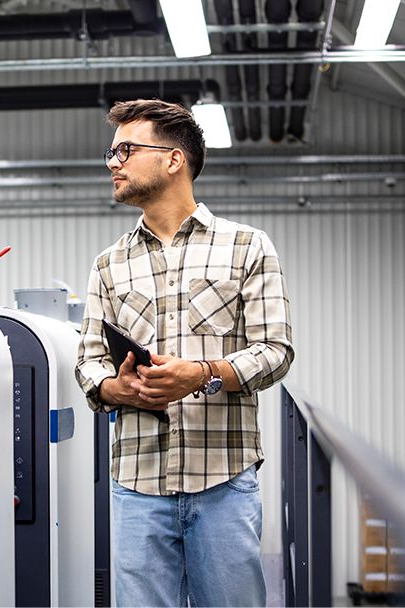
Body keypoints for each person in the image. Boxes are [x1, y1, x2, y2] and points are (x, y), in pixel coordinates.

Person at [75, 99, 294, 607]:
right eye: (111, 153)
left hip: (222, 480)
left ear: (174, 159)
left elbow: (276, 351)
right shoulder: (108, 264)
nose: (113, 163)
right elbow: (88, 365)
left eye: (125, 150)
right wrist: (119, 387)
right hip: (136, 487)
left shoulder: (247, 247)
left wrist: (200, 374)